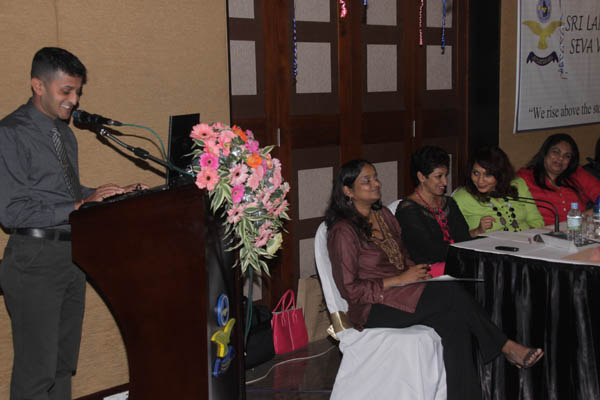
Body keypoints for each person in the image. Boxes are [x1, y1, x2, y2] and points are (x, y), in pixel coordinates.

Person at [325, 159, 543, 400]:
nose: (376, 184)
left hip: (405, 290)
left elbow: (404, 255)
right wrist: (399, 280)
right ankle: (506, 346)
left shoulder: (383, 214)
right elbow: (350, 290)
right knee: (450, 290)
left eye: (375, 177)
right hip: (373, 307)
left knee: (455, 323)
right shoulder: (343, 231)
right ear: (348, 191)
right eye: (366, 181)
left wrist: (416, 274)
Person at [0, 47, 146, 400]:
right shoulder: (10, 133)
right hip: (33, 260)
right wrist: (78, 205)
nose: (74, 100)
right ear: (38, 85)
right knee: (37, 372)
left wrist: (104, 194)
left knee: (63, 366)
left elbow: (65, 193)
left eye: (78, 91)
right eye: (66, 91)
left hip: (72, 257)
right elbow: (11, 211)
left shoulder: (64, 134)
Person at [395, 146, 473, 264]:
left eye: (445, 175)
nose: (445, 182)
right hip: (428, 269)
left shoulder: (448, 203)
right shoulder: (408, 210)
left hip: (456, 263)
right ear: (421, 177)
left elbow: (465, 239)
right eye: (438, 176)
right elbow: (430, 253)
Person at [453, 146, 544, 233]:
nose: (480, 181)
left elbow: (537, 222)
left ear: (500, 174)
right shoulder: (461, 197)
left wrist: (526, 238)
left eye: (488, 174)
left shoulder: (518, 185)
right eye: (476, 173)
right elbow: (454, 237)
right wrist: (478, 231)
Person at [517, 133, 600, 226]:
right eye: (556, 152)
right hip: (541, 231)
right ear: (545, 153)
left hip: (577, 230)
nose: (561, 158)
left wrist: (586, 215)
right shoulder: (525, 178)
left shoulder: (577, 174)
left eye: (567, 156)